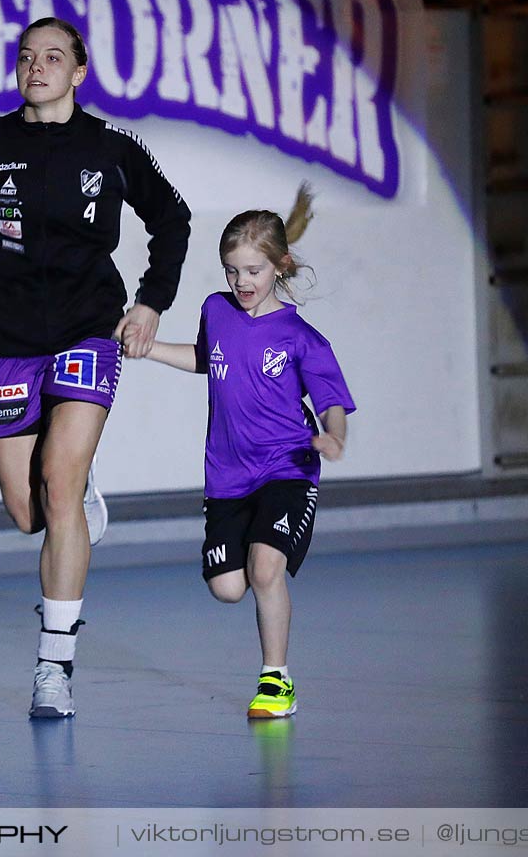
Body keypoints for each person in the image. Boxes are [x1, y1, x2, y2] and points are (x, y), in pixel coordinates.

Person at [0, 17, 191, 717]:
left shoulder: (111, 146)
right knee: (26, 512)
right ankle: (69, 482)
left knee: (58, 483)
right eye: (25, 57)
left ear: (79, 72)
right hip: (7, 338)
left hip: (87, 329)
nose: (36, 66)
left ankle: (54, 667)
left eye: (52, 57)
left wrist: (150, 305)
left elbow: (174, 220)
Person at [141, 197, 353, 718]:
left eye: (253, 271)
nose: (242, 281)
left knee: (264, 570)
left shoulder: (300, 337)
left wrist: (332, 435)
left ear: (279, 267)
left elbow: (330, 400)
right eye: (232, 271)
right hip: (227, 474)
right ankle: (265, 648)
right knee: (228, 588)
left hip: (288, 466)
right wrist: (149, 348)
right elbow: (203, 357)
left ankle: (276, 679)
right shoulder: (217, 310)